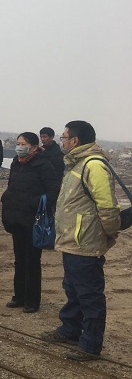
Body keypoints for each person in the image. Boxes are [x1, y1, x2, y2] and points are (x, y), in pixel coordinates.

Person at [41, 121, 121, 361]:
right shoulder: (77, 163)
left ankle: (90, 345)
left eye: (64, 137)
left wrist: (108, 235)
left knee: (89, 295)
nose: (62, 141)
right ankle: (71, 329)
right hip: (73, 241)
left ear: (75, 141)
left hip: (86, 243)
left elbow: (108, 208)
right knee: (73, 289)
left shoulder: (93, 165)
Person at [0, 132, 60, 313]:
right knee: (19, 259)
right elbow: (12, 186)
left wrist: (34, 203)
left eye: (23, 144)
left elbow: (53, 191)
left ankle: (32, 300)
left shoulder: (43, 164)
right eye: (18, 143)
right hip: (17, 218)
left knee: (32, 261)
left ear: (34, 147)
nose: (19, 147)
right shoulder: (16, 163)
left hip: (34, 220)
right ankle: (18, 296)